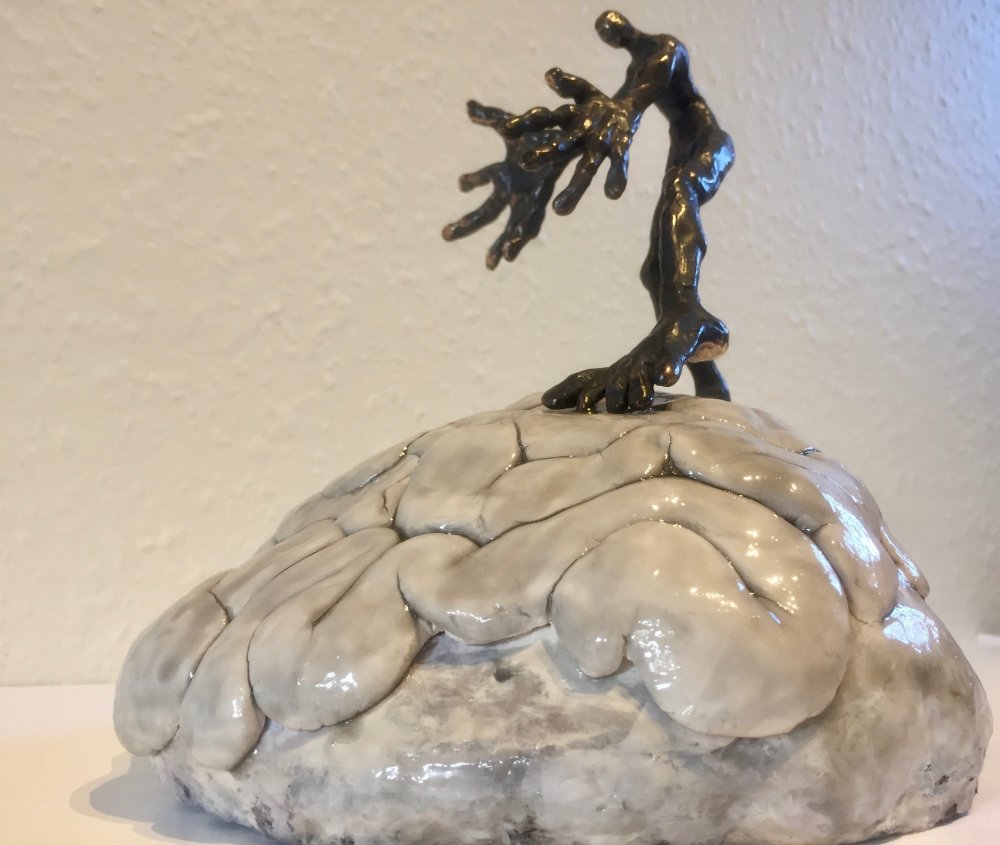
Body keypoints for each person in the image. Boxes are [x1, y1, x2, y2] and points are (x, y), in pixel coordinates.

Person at [444, 10, 735, 411]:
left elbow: (640, 94)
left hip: (712, 144)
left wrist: (627, 108)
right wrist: (544, 162)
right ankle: (709, 382)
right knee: (655, 271)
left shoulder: (664, 49)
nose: (611, 34)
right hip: (681, 150)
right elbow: (603, 124)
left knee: (680, 187)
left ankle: (685, 307)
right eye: (605, 31)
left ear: (624, 27)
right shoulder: (636, 70)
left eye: (612, 28)